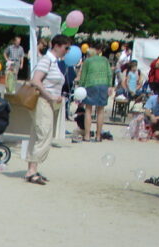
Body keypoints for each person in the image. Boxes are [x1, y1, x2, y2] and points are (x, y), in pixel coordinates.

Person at [25, 35, 69, 185]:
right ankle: (32, 170)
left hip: (48, 102)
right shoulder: (47, 60)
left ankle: (32, 169)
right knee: (44, 135)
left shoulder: (54, 62)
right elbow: (36, 80)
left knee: (38, 134)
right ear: (57, 46)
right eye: (66, 48)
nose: (67, 51)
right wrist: (50, 96)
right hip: (43, 101)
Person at [75, 42, 111, 142]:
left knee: (88, 110)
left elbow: (83, 76)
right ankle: (98, 136)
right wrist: (110, 85)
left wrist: (81, 86)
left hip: (91, 84)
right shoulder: (105, 60)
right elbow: (109, 73)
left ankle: (87, 135)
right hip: (103, 84)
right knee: (101, 110)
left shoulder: (88, 61)